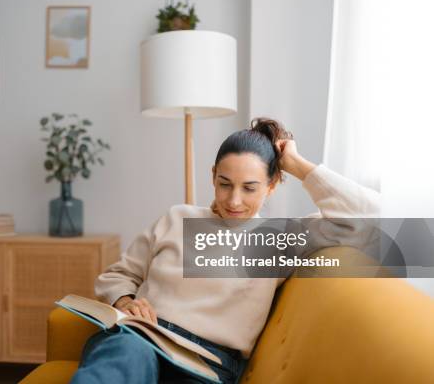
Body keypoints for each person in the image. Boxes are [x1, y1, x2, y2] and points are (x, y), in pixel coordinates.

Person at [70, 118, 380, 384]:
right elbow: (119, 275)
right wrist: (125, 300)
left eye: (250, 187)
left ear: (272, 185)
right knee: (123, 355)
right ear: (212, 176)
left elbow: (372, 216)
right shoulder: (177, 217)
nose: (233, 200)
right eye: (224, 183)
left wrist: (297, 165)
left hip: (206, 365)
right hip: (142, 339)